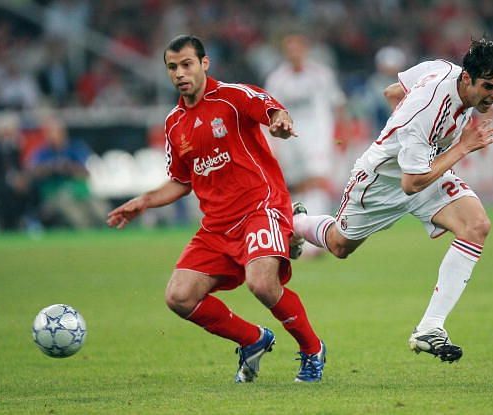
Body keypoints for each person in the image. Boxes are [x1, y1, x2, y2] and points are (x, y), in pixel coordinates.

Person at [107, 35, 326, 383]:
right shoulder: (174, 123)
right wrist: (145, 201)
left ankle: (313, 350)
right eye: (172, 67)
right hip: (217, 226)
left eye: (187, 64)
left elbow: (272, 109)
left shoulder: (233, 96)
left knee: (262, 284)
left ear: (204, 64)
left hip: (260, 206)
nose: (180, 73)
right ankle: (252, 339)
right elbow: (181, 180)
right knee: (179, 296)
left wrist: (280, 122)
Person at [291, 39, 493, 362]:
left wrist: (411, 140)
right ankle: (294, 222)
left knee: (476, 225)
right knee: (340, 245)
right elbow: (410, 183)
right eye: (489, 86)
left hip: (426, 168)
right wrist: (458, 146)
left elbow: (393, 92)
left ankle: (430, 328)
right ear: (467, 78)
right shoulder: (430, 111)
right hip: (382, 180)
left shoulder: (443, 68)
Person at [264, 34, 346, 257]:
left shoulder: (322, 75)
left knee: (318, 183)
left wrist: (341, 135)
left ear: (305, 50)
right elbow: (269, 113)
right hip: (290, 142)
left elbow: (337, 104)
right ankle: (299, 234)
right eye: (289, 49)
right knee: (299, 187)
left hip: (318, 138)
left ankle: (315, 243)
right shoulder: (277, 80)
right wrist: (274, 144)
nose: (294, 53)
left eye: (297, 48)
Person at [30, 115, 108, 229]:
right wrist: (51, 167)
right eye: (50, 132)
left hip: (79, 191)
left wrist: (68, 167)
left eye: (56, 132)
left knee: (100, 211)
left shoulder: (75, 148)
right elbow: (33, 173)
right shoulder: (43, 152)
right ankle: (86, 238)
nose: (53, 136)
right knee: (77, 214)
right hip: (55, 193)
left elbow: (87, 172)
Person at [0, 113, 37, 231]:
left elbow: (21, 168)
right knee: (5, 191)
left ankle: (29, 219)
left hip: (16, 182)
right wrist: (10, 181)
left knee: (32, 188)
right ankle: (8, 223)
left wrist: (22, 179)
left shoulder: (15, 149)